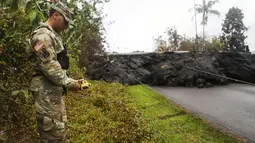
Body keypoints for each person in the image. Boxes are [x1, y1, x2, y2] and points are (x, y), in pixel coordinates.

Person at [28, 1, 82, 142]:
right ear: (56, 15)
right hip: (45, 91)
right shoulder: (42, 37)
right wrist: (69, 83)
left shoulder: (52, 36)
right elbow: (49, 65)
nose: (66, 26)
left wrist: (69, 81)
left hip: (52, 89)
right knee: (53, 133)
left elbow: (57, 64)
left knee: (59, 129)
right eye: (65, 22)